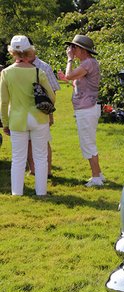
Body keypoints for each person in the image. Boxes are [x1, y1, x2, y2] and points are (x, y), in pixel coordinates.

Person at [0, 35, 55, 196]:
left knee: (18, 159)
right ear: (28, 51)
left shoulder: (6, 73)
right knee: (40, 157)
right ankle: (41, 192)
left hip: (17, 119)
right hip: (39, 118)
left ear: (12, 52)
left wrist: (5, 123)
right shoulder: (38, 71)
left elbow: (3, 102)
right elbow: (51, 96)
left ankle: (17, 193)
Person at [57, 34, 104, 187]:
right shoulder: (88, 63)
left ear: (82, 49)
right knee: (89, 142)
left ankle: (96, 177)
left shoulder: (88, 63)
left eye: (74, 47)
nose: (71, 50)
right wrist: (67, 79)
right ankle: (99, 174)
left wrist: (69, 59)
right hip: (87, 107)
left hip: (87, 109)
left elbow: (71, 74)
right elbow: (77, 83)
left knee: (88, 143)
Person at [25, 36, 60, 177]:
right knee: (27, 141)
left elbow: (53, 91)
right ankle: (33, 170)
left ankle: (48, 171)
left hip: (41, 111)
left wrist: (50, 113)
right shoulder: (16, 67)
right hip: (23, 111)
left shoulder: (44, 67)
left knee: (43, 141)